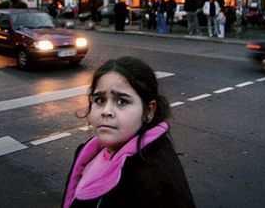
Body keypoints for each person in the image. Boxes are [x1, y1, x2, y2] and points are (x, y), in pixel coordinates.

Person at [62, 56, 196, 208]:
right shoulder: (89, 152)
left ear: (149, 111)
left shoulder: (155, 185)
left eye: (122, 101)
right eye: (99, 100)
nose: (106, 111)